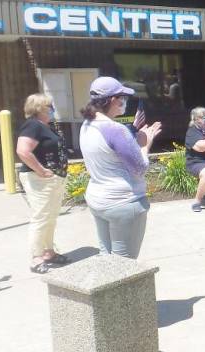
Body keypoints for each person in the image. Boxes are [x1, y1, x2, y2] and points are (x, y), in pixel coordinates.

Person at [80, 76, 162, 259]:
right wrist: (144, 144)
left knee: (106, 257)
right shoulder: (115, 129)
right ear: (112, 100)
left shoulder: (87, 124)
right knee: (123, 265)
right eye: (121, 98)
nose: (123, 102)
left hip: (98, 199)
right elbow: (140, 168)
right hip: (123, 203)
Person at [16, 94, 69, 273]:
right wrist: (41, 170)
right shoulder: (32, 126)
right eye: (49, 106)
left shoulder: (48, 126)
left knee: (51, 217)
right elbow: (23, 151)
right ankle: (36, 257)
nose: (52, 109)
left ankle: (49, 252)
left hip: (54, 178)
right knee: (41, 218)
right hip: (39, 180)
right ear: (38, 108)